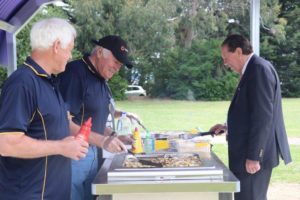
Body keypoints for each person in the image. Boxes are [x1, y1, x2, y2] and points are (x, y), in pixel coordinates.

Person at [0, 18, 89, 200]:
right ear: (57, 46)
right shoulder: (22, 83)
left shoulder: (49, 82)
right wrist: (61, 147)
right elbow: (6, 144)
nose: (70, 56)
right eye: (69, 49)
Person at [210, 34, 292, 200]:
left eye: (226, 58)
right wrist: (227, 126)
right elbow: (250, 111)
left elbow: (262, 117)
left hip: (253, 157)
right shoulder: (252, 69)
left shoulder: (258, 69)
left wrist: (254, 156)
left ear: (239, 51)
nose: (225, 63)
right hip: (247, 153)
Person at [59, 35, 139, 200]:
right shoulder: (74, 73)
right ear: (100, 52)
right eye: (116, 62)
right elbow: (62, 122)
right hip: (73, 156)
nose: (118, 68)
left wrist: (114, 137)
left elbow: (94, 119)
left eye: (121, 64)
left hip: (93, 153)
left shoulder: (100, 78)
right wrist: (102, 141)